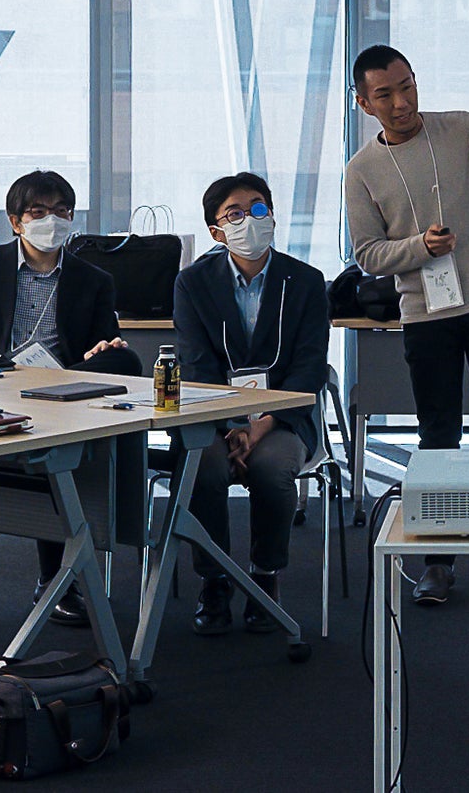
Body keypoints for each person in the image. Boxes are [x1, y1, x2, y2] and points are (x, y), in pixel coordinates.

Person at [343, 44, 469, 606]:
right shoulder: (361, 171)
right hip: (426, 315)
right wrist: (420, 247)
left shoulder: (460, 128)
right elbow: (367, 254)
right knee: (438, 434)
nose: (401, 102)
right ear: (364, 103)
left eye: (407, 86)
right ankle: (438, 560)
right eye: (385, 94)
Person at [0, 170, 141, 627]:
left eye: (62, 211)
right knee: (52, 453)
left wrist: (102, 351)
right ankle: (55, 579)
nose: (53, 220)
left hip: (62, 392)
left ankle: (57, 577)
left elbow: (104, 345)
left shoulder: (93, 279)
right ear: (16, 222)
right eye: (39, 212)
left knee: (126, 362)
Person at [173, 172, 331, 635]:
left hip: (282, 418)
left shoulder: (305, 281)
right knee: (201, 466)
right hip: (213, 416)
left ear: (273, 216)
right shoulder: (193, 283)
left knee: (272, 468)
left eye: (258, 208)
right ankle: (215, 578)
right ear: (216, 231)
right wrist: (230, 426)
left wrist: (260, 425)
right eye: (235, 213)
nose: (250, 219)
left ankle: (265, 576)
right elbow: (196, 365)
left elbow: (309, 367)